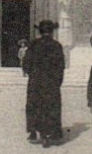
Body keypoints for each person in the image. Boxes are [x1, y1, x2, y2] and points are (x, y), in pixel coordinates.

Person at [22, 19, 65, 147]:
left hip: (36, 82)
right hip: (51, 83)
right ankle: (48, 135)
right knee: (50, 107)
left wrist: (32, 75)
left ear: (40, 31)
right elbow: (60, 66)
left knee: (34, 106)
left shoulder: (33, 44)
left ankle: (33, 132)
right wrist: (57, 81)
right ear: (52, 32)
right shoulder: (57, 45)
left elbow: (26, 63)